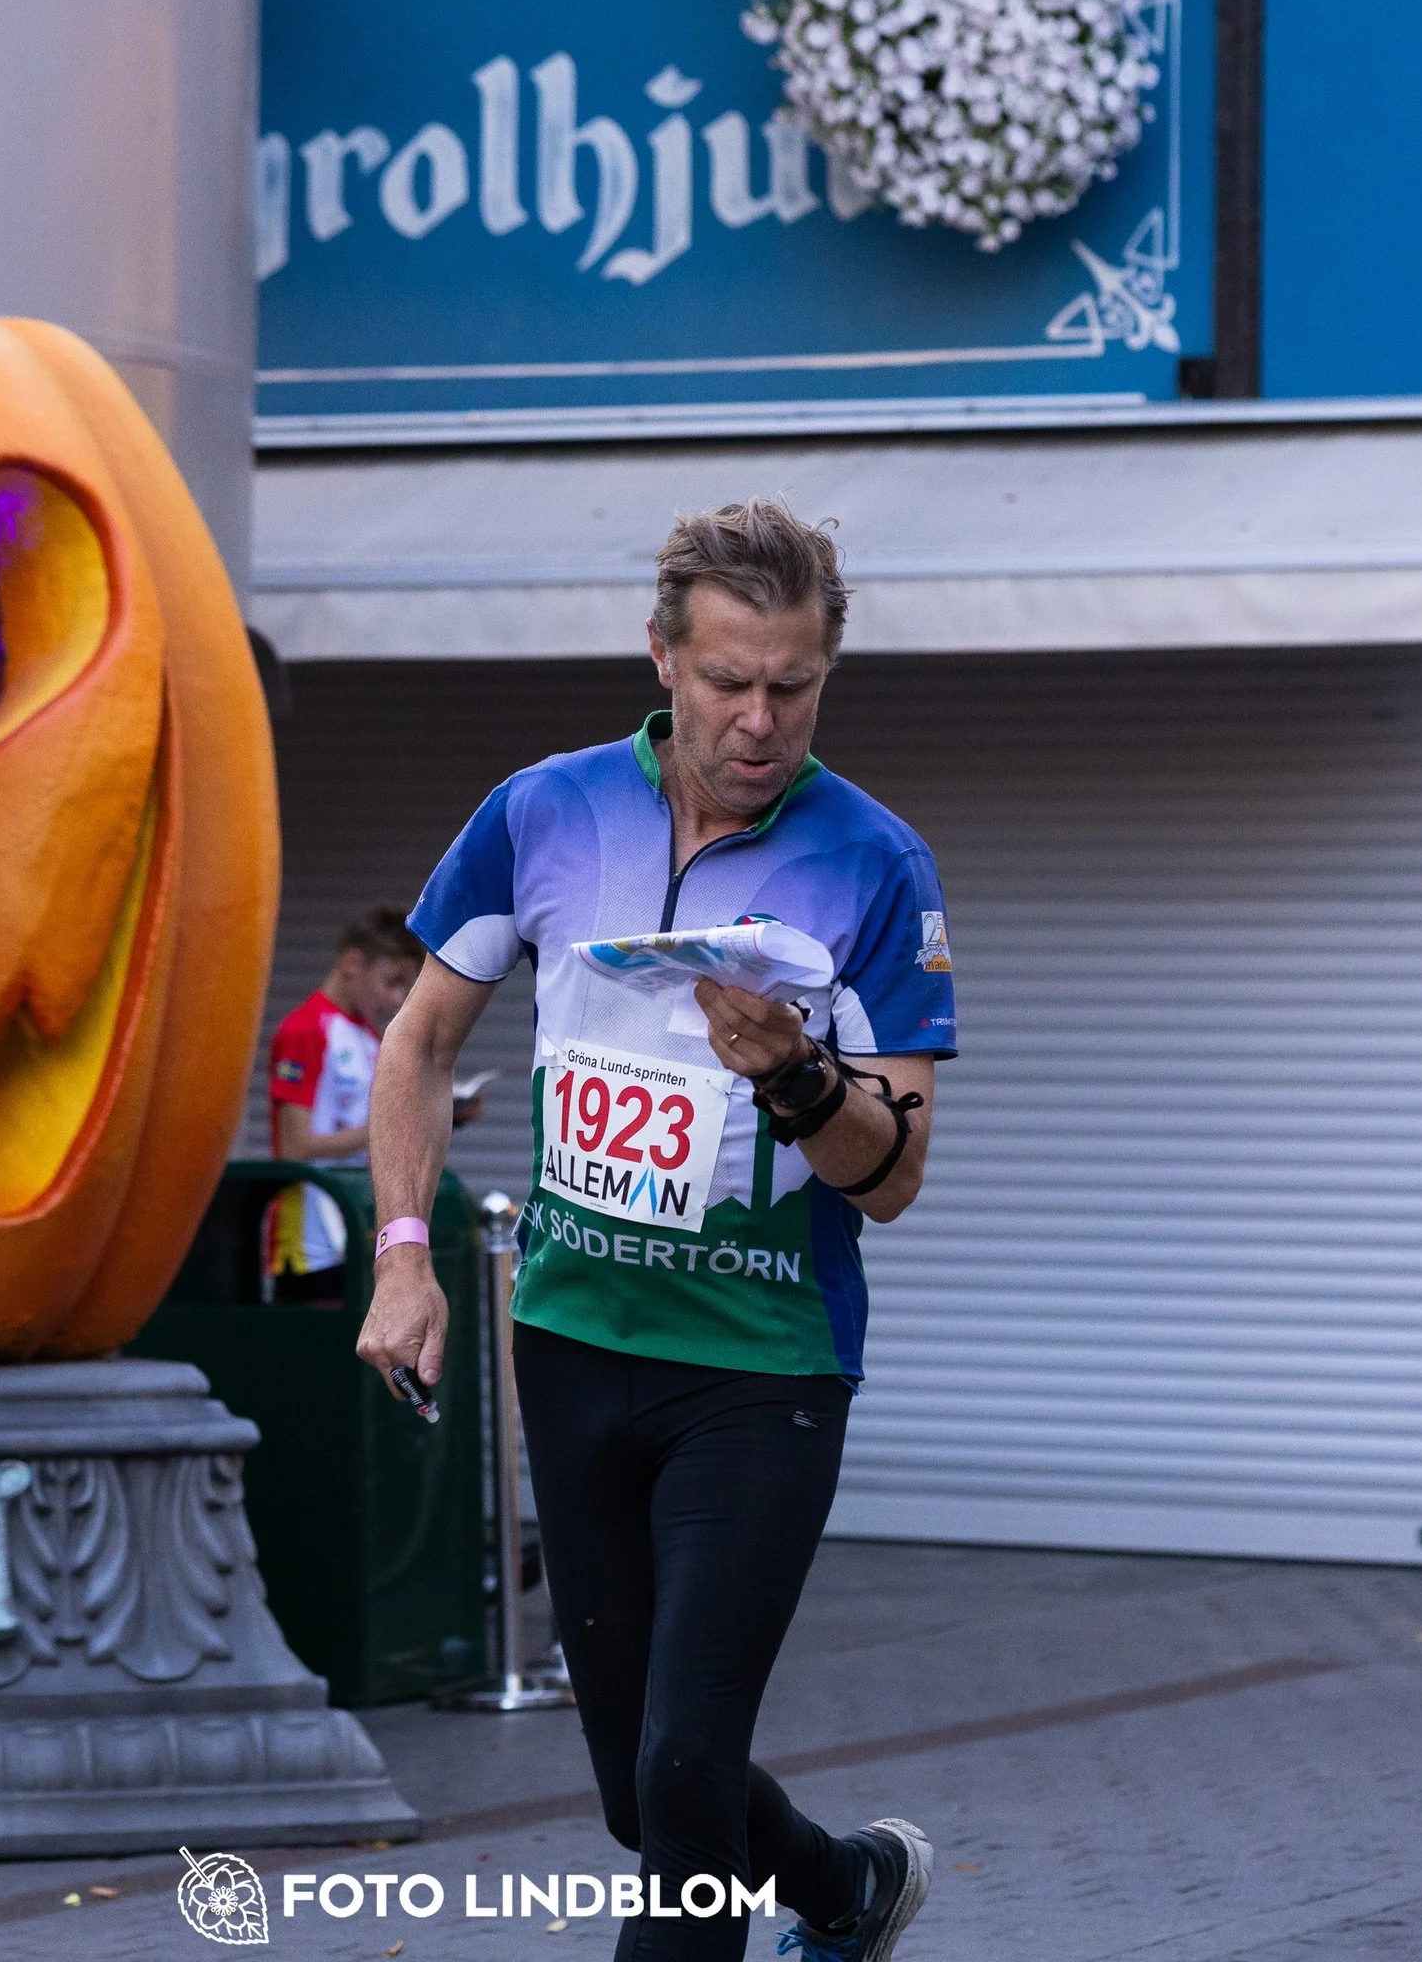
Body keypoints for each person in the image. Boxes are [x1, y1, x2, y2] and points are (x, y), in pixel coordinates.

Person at [360, 500, 956, 1961]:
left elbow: (893, 1174)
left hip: (761, 1368)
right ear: (662, 659)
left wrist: (800, 1076)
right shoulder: (546, 810)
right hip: (570, 1345)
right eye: (728, 683)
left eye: (795, 688)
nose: (760, 722)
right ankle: (846, 1887)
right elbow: (418, 1043)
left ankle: (822, 1890)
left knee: (686, 1780)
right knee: (644, 1793)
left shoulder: (875, 862)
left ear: (827, 672)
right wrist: (402, 1257)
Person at [264, 907, 481, 1301]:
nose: (397, 998)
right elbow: (295, 1147)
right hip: (311, 1240)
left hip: (360, 1223)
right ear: (352, 964)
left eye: (407, 987)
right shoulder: (304, 1029)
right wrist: (386, 1127)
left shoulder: (367, 1034)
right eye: (392, 982)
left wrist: (449, 1116)